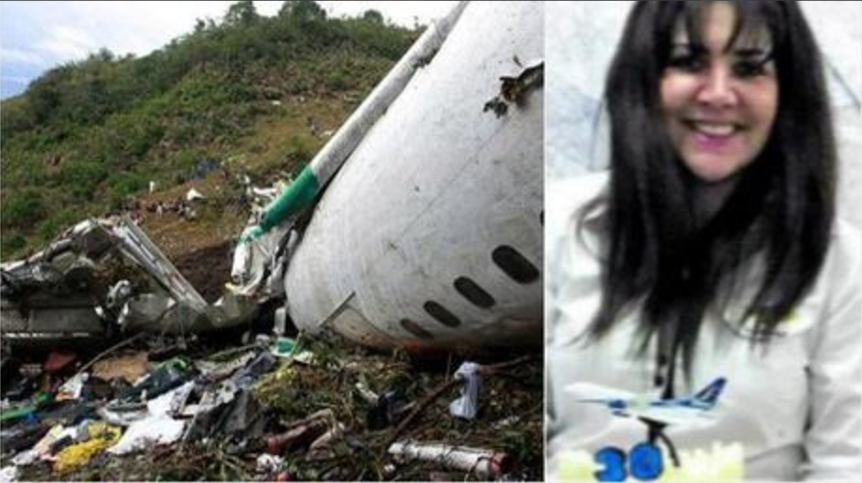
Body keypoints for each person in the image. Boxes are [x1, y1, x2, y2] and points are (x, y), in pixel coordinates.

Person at [546, 1, 861, 481]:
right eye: (688, 62)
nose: (718, 93)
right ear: (645, 77)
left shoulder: (837, 260)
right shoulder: (565, 227)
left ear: (788, 90)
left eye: (750, 67)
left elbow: (845, 460)